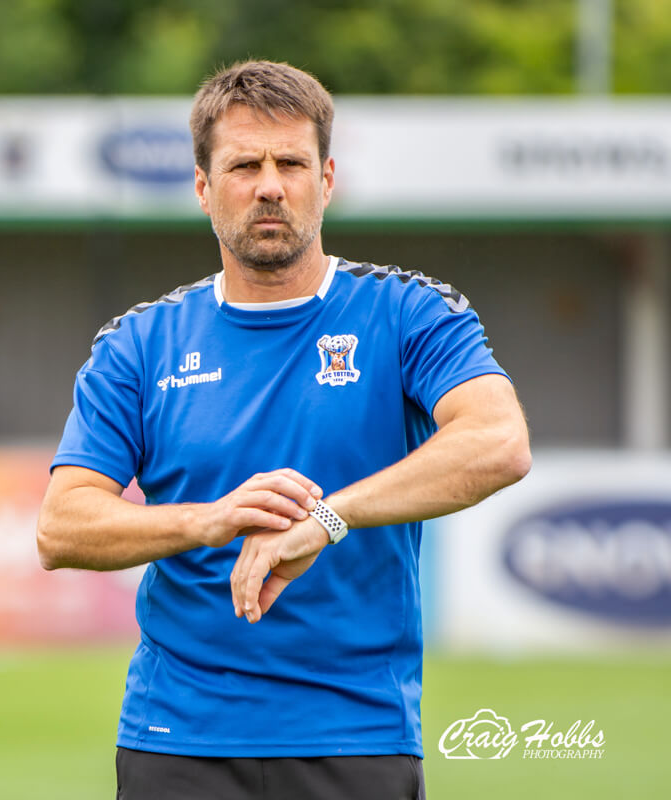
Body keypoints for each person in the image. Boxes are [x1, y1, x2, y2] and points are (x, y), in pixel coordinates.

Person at [37, 60, 531, 800]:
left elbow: (499, 442)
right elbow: (60, 527)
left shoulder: (407, 313)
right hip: (178, 742)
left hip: (356, 737)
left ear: (325, 180)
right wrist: (209, 521)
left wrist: (327, 519)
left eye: (291, 163)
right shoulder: (139, 345)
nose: (270, 184)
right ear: (203, 188)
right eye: (244, 165)